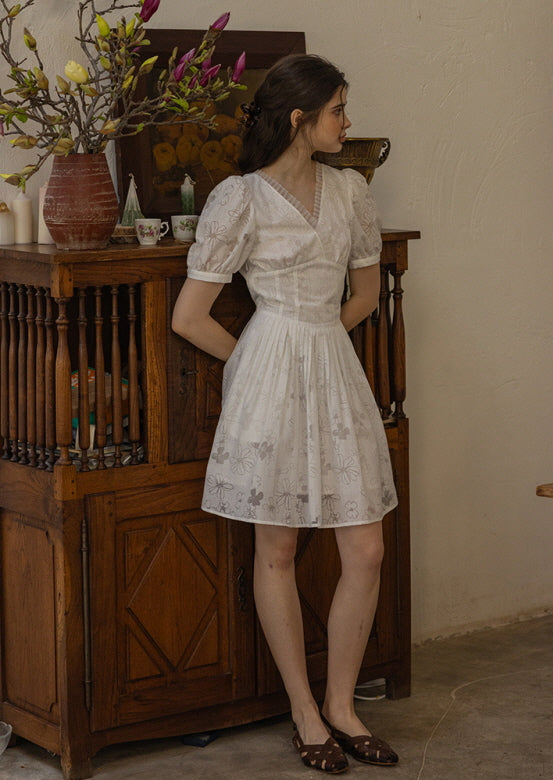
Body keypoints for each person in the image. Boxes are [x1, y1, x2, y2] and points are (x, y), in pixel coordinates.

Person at [172, 53, 399, 774]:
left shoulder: (351, 193)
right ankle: (306, 712)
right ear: (301, 120)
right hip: (269, 367)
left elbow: (364, 294)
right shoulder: (239, 199)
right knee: (278, 549)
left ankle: (342, 704)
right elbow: (190, 316)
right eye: (338, 109)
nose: (348, 121)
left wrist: (320, 335)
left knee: (365, 548)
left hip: (333, 364)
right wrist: (259, 359)